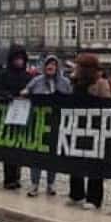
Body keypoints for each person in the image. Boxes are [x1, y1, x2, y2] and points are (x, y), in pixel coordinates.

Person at [67, 53, 111, 209]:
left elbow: (107, 105)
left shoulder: (101, 83)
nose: (77, 68)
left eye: (80, 66)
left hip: (95, 128)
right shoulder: (74, 82)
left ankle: (94, 198)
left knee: (94, 164)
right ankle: (76, 194)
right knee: (75, 162)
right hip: (77, 126)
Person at [23, 54, 71, 196]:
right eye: (48, 64)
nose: (50, 67)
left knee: (52, 156)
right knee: (37, 154)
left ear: (57, 67)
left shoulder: (64, 82)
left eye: (53, 64)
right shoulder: (36, 81)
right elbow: (26, 91)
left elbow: (70, 99)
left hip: (56, 122)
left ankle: (51, 184)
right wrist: (25, 93)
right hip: (39, 122)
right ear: (44, 67)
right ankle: (34, 184)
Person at [0, 46, 33, 189]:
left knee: (20, 147)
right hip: (8, 114)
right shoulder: (4, 75)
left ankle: (17, 177)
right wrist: (8, 96)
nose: (19, 62)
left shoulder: (28, 76)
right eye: (17, 59)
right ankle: (9, 178)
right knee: (9, 148)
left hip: (23, 114)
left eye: (21, 59)